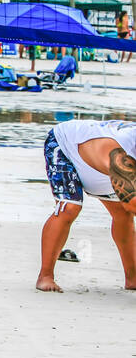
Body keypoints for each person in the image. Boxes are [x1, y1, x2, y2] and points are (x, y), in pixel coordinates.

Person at [36, 118, 136, 292]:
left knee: (122, 216)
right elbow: (132, 203)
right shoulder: (117, 154)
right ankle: (45, 276)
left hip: (101, 163)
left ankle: (133, 278)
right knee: (70, 207)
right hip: (67, 147)